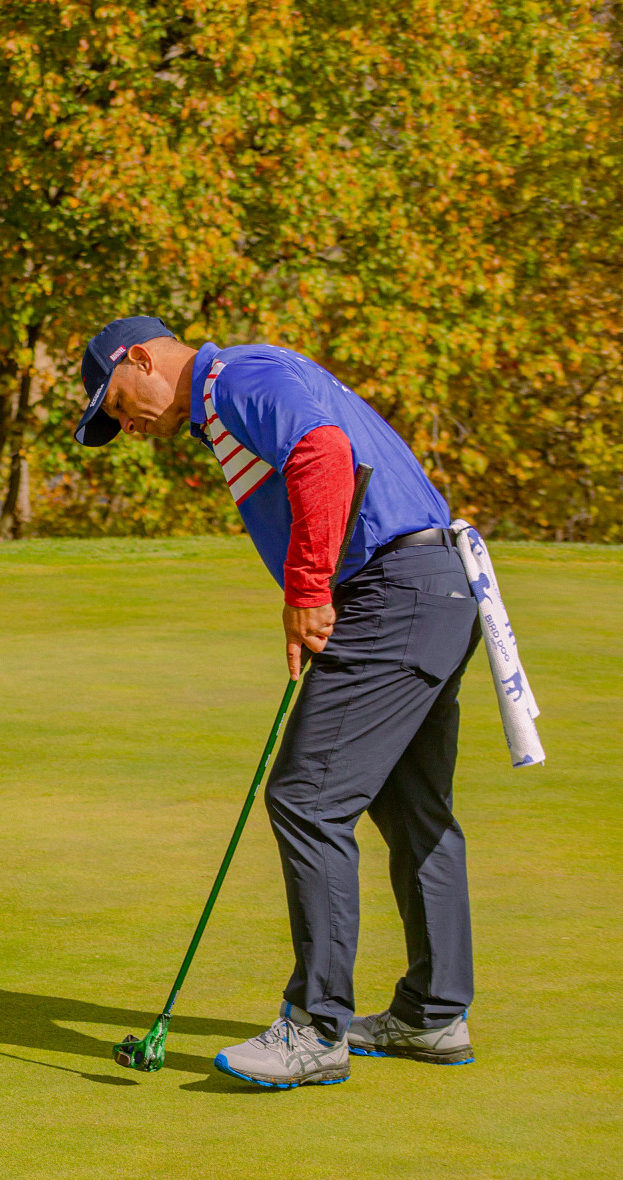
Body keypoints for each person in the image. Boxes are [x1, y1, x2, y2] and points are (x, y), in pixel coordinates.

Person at [72, 317, 480, 1090]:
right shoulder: (228, 397)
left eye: (118, 403)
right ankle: (433, 1013)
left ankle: (315, 1028)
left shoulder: (234, 378)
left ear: (142, 358)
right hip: (433, 588)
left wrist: (307, 590)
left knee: (306, 797)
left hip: (393, 592)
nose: (127, 426)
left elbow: (322, 452)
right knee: (412, 806)